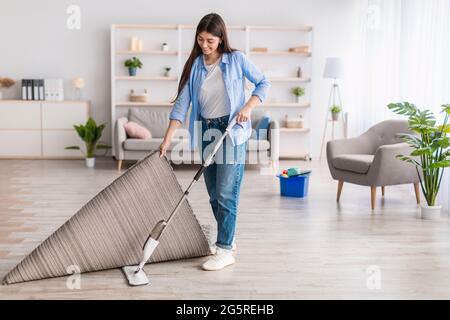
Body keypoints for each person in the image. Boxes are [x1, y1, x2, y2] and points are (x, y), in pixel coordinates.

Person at [159, 13, 270, 271]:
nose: (204, 45)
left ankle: (224, 250)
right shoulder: (195, 66)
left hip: (231, 130)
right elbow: (181, 107)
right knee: (212, 194)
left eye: (210, 40)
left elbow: (264, 83)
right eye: (200, 39)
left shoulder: (236, 60)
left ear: (221, 39)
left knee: (225, 192)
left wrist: (249, 105)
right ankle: (227, 238)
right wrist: (166, 141)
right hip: (207, 131)